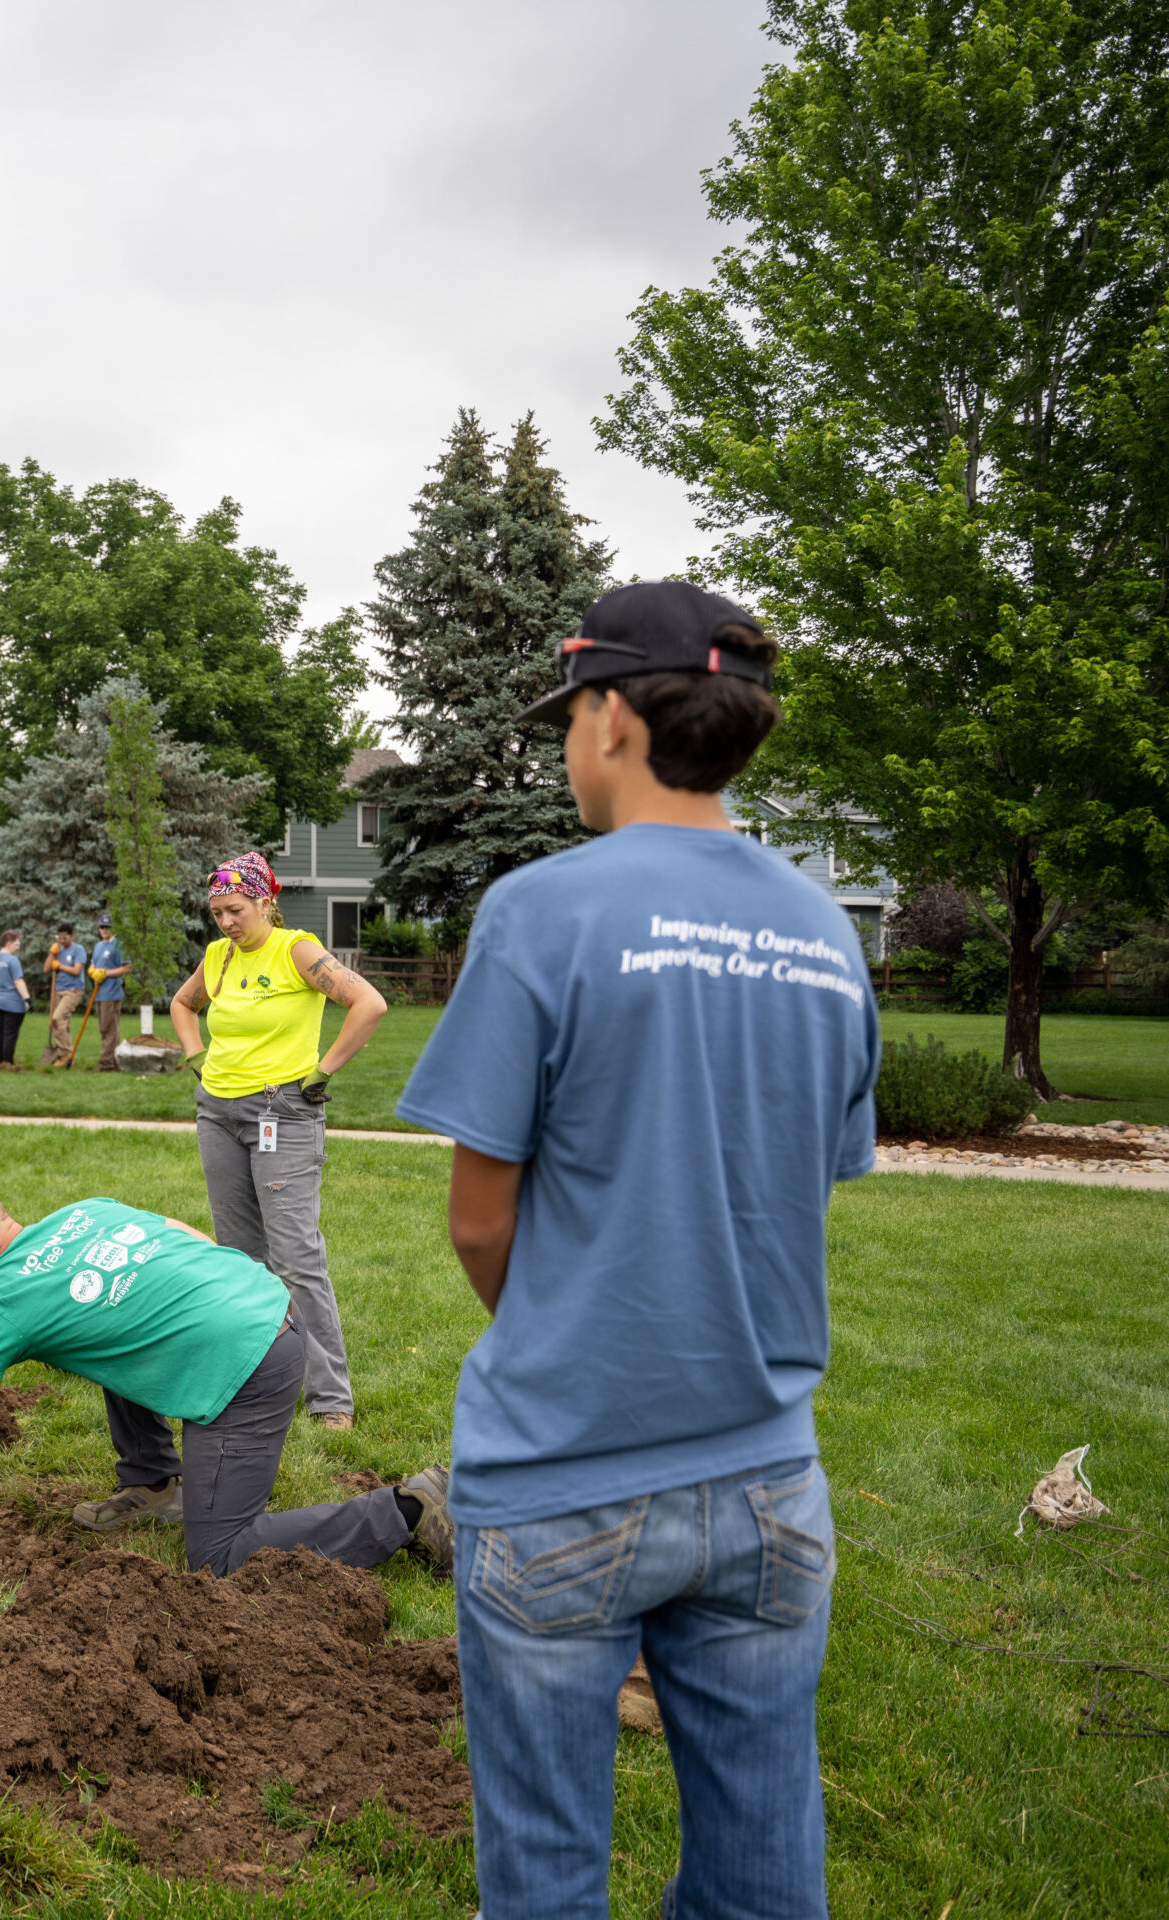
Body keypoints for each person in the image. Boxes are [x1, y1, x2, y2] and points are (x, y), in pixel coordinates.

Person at [397, 581, 879, 1920]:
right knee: (762, 1870)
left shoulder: (543, 912)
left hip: (563, 1473)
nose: (565, 748)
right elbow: (802, 1185)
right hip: (771, 1481)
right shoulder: (829, 937)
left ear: (613, 718)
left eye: (569, 719)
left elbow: (479, 1216)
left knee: (548, 1874)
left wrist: (548, 1317)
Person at [0, 1187, 453, 1576]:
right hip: (261, 1298)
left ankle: (410, 1509)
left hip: (249, 1359)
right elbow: (182, 1235)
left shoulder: (3, 1304)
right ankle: (150, 1483)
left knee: (219, 1556)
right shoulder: (86, 1213)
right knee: (109, 1324)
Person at [167, 851, 386, 1430]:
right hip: (217, 1112)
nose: (226, 923)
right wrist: (196, 1058)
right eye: (217, 913)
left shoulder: (297, 951)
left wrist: (322, 1072)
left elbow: (370, 1003)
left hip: (282, 1112)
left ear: (265, 902)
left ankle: (330, 1399)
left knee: (294, 1256)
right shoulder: (216, 957)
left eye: (235, 910)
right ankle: (259, 1380)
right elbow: (183, 1004)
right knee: (240, 1258)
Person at [87, 913, 130, 1070]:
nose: (104, 930)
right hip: (98, 993)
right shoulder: (98, 946)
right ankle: (113, 1061)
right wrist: (92, 972)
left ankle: (106, 1063)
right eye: (102, 927)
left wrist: (105, 973)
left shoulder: (119, 944)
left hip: (111, 993)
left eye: (108, 927)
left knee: (109, 1029)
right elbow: (92, 964)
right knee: (104, 1028)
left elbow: (128, 968)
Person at [42, 920, 87, 1066]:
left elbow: (76, 971)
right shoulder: (58, 950)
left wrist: (60, 966)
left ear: (71, 936)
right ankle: (68, 1056)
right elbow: (46, 969)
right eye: (59, 938)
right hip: (58, 990)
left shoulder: (78, 950)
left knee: (57, 1018)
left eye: (64, 938)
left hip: (73, 990)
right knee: (62, 1024)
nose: (61, 940)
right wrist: (51, 953)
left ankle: (64, 1054)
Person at [0, 929, 29, 1070]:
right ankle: (8, 1063)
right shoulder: (13, 960)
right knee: (10, 1034)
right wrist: (27, 999)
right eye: (17, 943)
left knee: (0, 1032)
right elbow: (18, 981)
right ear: (9, 943)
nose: (18, 946)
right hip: (13, 1003)